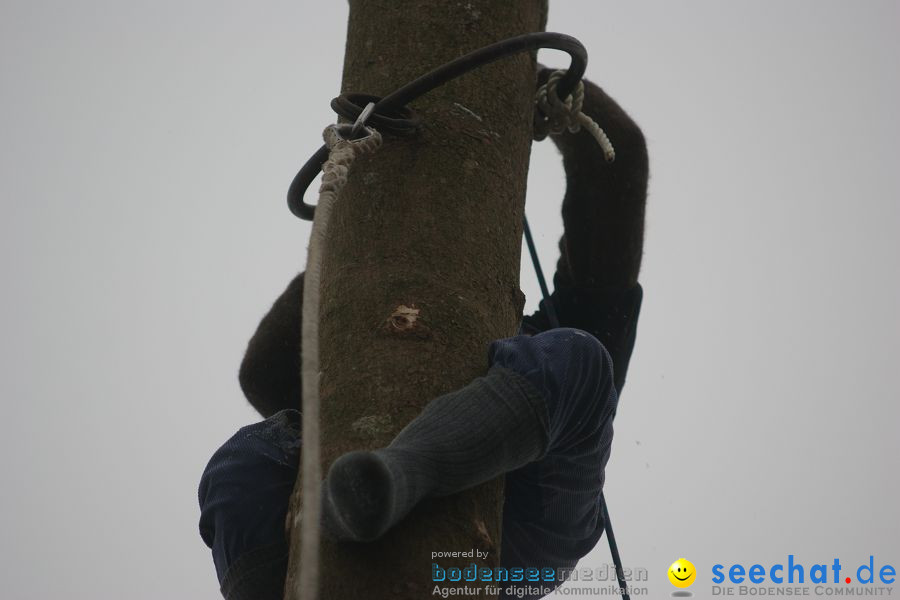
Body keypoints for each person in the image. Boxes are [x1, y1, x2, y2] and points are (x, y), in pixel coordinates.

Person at [198, 68, 648, 600]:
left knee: (582, 357)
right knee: (243, 460)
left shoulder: (555, 329)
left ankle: (406, 473)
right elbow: (265, 374)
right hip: (354, 483)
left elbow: (617, 181)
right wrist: (353, 236)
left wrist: (550, 89)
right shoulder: (362, 336)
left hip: (529, 519)